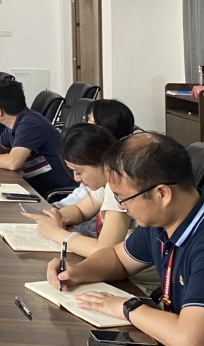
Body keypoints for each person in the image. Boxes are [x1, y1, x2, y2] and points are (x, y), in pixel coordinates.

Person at [48, 132, 204, 346]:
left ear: (162, 194)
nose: (119, 206)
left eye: (122, 198)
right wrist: (77, 271)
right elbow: (118, 258)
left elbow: (191, 340)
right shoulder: (162, 221)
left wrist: (126, 307)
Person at [21, 124, 158, 294]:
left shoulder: (120, 187)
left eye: (79, 171)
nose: (76, 179)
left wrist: (57, 234)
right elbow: (80, 210)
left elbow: (105, 250)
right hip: (118, 274)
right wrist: (57, 216)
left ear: (101, 161)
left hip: (137, 285)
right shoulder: (106, 183)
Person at [0, 79, 70, 195]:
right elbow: (1, 145)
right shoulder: (18, 120)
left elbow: (13, 163)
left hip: (54, 192)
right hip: (33, 184)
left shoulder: (30, 124)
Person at [55, 99, 137, 210]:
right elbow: (81, 204)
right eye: (86, 119)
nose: (86, 127)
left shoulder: (119, 180)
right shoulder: (103, 176)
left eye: (90, 122)